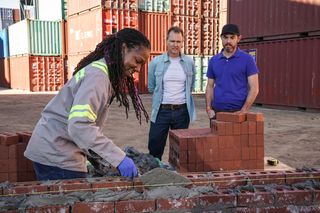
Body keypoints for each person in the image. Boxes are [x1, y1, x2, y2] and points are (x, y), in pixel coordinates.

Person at [24, 28, 151, 180]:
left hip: (54, 149)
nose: (138, 69)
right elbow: (80, 125)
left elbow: (84, 126)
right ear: (123, 48)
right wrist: (118, 158)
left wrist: (98, 158)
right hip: (57, 155)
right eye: (137, 61)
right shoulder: (98, 76)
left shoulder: (101, 72)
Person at [148, 26, 196, 160]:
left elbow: (190, 86)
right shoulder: (156, 62)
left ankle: (176, 176)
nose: (176, 45)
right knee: (155, 146)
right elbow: (151, 87)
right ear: (166, 41)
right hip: (161, 111)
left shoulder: (189, 62)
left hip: (182, 112)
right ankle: (154, 174)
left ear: (183, 42)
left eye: (179, 42)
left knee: (179, 149)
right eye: (172, 41)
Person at [205, 23, 259, 120]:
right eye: (225, 37)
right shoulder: (214, 60)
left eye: (232, 37)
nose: (228, 41)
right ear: (221, 38)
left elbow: (254, 88)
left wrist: (244, 111)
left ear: (238, 38)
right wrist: (209, 108)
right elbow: (210, 85)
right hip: (217, 112)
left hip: (238, 112)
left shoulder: (247, 59)